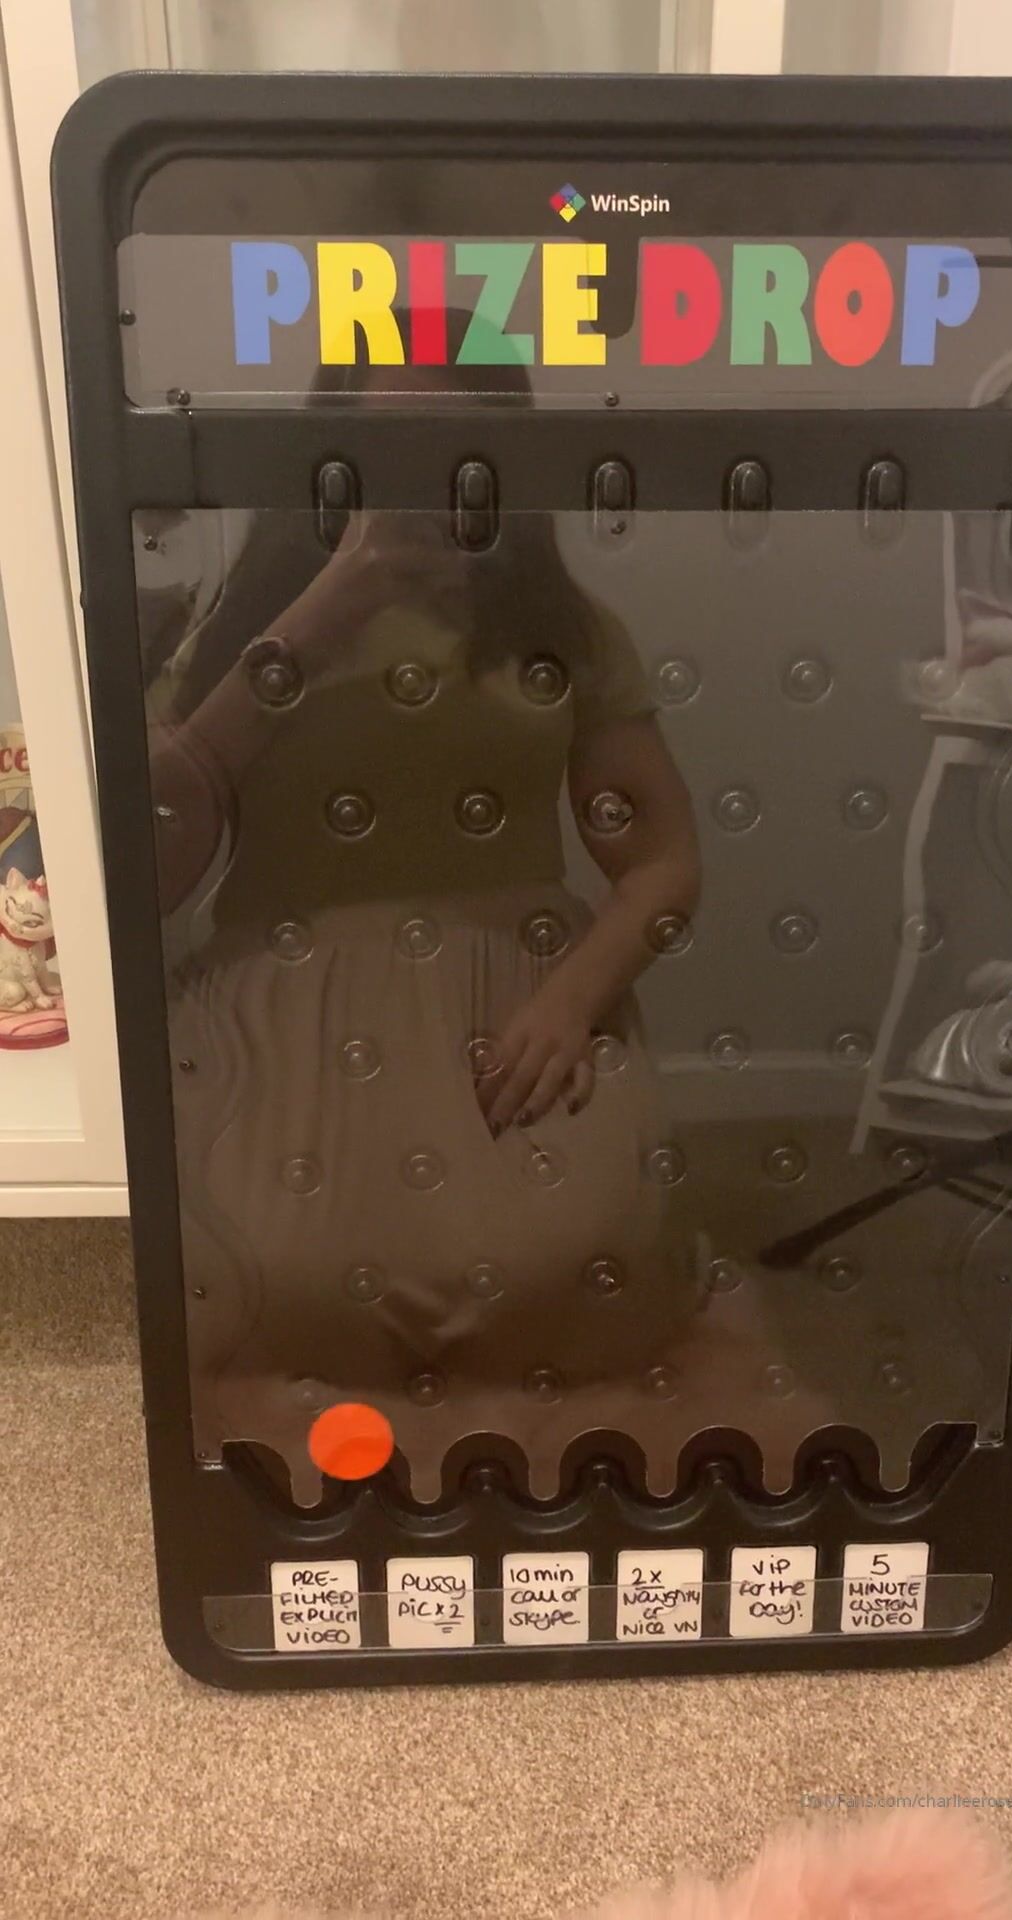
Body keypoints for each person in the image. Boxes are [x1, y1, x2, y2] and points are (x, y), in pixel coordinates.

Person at [142, 349, 702, 1501]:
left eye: (452, 447)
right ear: (326, 461)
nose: (420, 476)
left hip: (515, 991)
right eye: (382, 448)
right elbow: (151, 863)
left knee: (567, 1261)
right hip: (283, 988)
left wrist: (572, 1001)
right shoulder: (238, 624)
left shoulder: (565, 626)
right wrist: (333, 602)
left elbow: (662, 861)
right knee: (278, 1275)